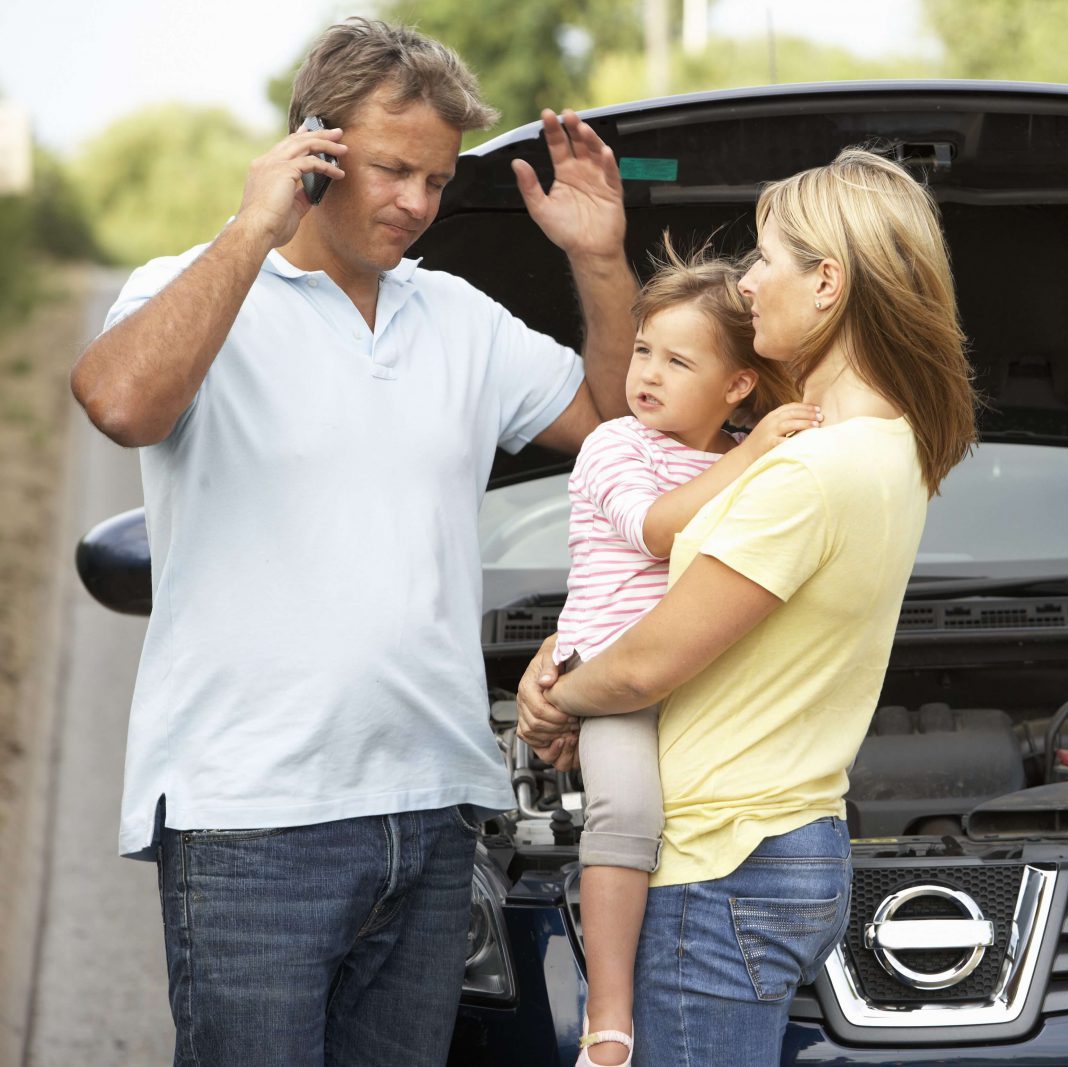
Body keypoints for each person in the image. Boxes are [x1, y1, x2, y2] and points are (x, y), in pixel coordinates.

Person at [69, 18, 635, 1066]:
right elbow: (118, 400)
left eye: (435, 180)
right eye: (391, 171)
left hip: (433, 808)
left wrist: (598, 259)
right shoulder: (189, 286)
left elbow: (618, 431)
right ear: (313, 153)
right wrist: (250, 229)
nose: (417, 205)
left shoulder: (460, 318)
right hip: (249, 816)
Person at [517, 147, 979, 1067]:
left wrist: (556, 697)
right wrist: (571, 647)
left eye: (767, 259)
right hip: (788, 840)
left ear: (828, 283)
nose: (749, 281)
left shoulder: (810, 469)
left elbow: (651, 662)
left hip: (719, 859)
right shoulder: (888, 446)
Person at [554, 244, 821, 1067]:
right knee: (627, 815)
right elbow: (653, 530)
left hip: (707, 689)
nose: (649, 374)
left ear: (738, 383)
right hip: (616, 681)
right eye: (643, 351)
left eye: (678, 360)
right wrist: (752, 453)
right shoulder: (614, 446)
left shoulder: (744, 456)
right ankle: (610, 1016)